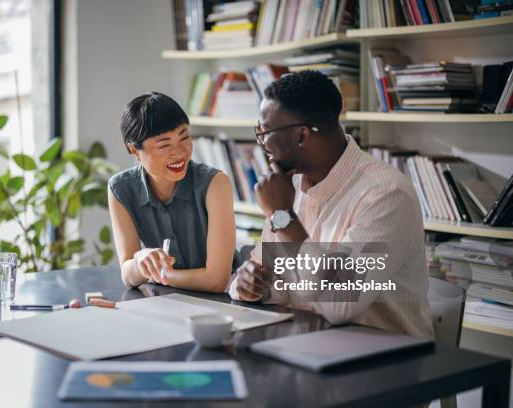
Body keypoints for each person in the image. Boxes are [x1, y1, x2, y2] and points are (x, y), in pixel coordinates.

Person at [228, 71, 434, 339]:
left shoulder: (385, 194)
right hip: (308, 343)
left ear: (301, 136)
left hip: (383, 358)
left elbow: (340, 302)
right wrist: (251, 286)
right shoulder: (289, 187)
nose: (262, 144)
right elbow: (278, 280)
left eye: (265, 132)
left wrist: (283, 217)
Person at [108, 92, 240, 292]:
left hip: (225, 300)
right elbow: (127, 274)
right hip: (166, 301)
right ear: (134, 150)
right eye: (164, 145)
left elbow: (217, 280)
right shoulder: (120, 188)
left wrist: (157, 275)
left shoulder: (216, 184)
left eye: (184, 137)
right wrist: (139, 261)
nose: (179, 152)